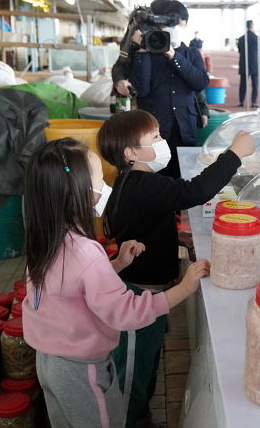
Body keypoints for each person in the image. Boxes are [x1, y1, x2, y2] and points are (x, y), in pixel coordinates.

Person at [21, 137, 209, 428]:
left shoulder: (44, 239)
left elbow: (71, 287)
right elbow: (126, 313)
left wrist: (117, 265)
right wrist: (183, 289)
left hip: (48, 362)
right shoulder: (85, 252)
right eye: (99, 178)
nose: (104, 186)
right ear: (80, 192)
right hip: (83, 369)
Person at [97, 110, 254, 427]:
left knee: (148, 359)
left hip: (149, 287)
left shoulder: (130, 183)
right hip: (139, 293)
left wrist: (174, 236)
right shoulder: (144, 184)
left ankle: (141, 414)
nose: (162, 142)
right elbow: (194, 192)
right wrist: (233, 155)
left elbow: (143, 220)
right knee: (135, 368)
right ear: (130, 153)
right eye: (154, 138)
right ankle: (129, 419)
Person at [120, 0, 209, 179]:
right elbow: (142, 89)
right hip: (154, 129)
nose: (172, 28)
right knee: (155, 176)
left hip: (185, 126)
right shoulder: (145, 54)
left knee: (185, 176)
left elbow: (200, 83)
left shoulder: (191, 53)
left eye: (176, 24)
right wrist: (143, 51)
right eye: (167, 24)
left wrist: (173, 55)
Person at [237, 20, 260, 108]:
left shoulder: (241, 39)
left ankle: (241, 101)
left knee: (243, 84)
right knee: (255, 84)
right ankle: (254, 102)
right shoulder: (257, 38)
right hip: (255, 64)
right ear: (252, 26)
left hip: (244, 64)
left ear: (246, 26)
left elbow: (239, 50)